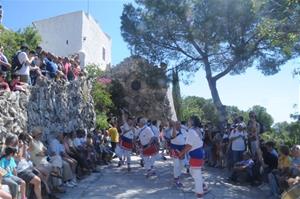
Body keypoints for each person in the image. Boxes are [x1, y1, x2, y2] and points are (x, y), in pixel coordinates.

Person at [178, 116, 208, 199]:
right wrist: (181, 126)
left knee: (197, 175)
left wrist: (181, 153)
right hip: (199, 153)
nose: (188, 121)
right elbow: (187, 129)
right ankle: (203, 185)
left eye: (189, 120)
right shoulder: (197, 129)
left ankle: (200, 194)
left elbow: (188, 146)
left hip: (195, 154)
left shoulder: (192, 131)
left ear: (192, 122)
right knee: (192, 171)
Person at [170, 121, 185, 187]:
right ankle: (176, 179)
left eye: (179, 124)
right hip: (175, 149)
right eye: (177, 124)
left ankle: (177, 176)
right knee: (176, 164)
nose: (179, 125)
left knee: (182, 164)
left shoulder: (184, 130)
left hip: (182, 150)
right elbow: (174, 136)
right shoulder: (172, 130)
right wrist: (173, 127)